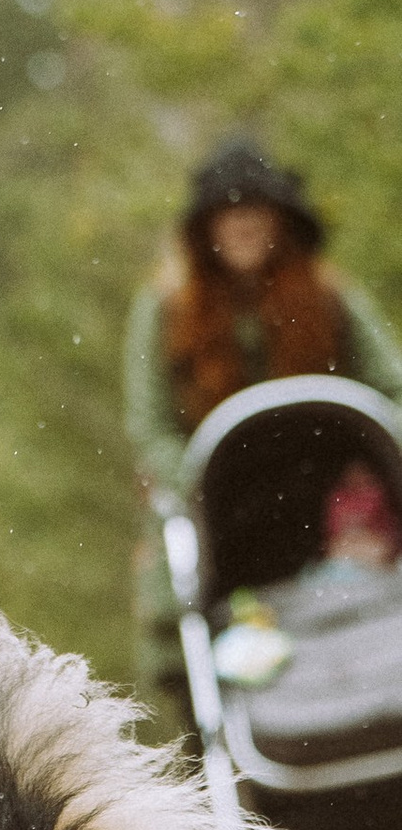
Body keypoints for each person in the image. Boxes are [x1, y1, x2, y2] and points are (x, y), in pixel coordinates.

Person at [125, 135, 402, 710]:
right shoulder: (165, 313)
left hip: (327, 503)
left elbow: (389, 391)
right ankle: (216, 745)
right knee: (178, 607)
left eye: (254, 210)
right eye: (227, 214)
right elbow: (151, 429)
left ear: (280, 219)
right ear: (205, 231)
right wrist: (200, 483)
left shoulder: (330, 298)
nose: (243, 225)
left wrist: (368, 466)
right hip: (222, 516)